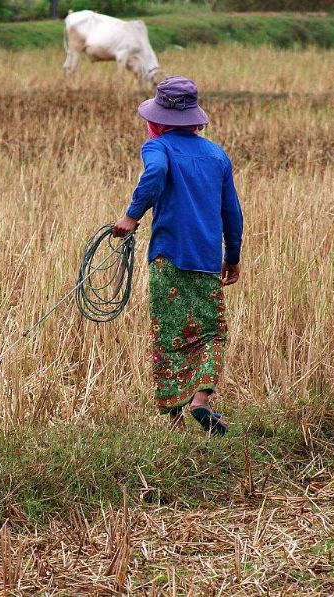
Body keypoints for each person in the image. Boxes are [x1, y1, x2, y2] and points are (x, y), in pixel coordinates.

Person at [113, 76, 243, 435]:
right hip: (205, 260)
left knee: (169, 334)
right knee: (212, 333)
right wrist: (233, 256)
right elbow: (232, 211)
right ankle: (201, 400)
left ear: (157, 119)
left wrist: (132, 215)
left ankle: (173, 420)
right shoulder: (217, 154)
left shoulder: (158, 148)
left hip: (168, 258)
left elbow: (154, 174)